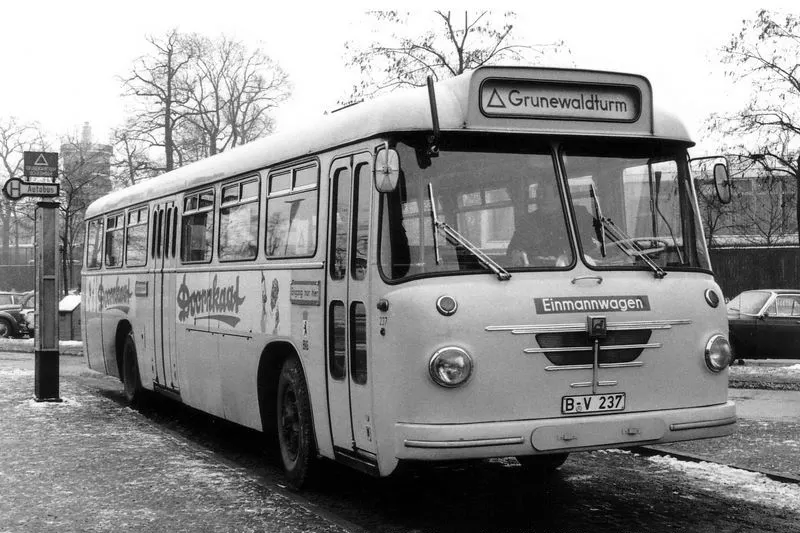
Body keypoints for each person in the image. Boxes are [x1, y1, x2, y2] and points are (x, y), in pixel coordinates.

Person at [507, 180, 573, 267]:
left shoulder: (578, 215)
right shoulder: (528, 221)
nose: (540, 198)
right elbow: (513, 249)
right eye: (538, 194)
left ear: (558, 197)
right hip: (537, 271)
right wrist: (516, 253)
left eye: (544, 194)